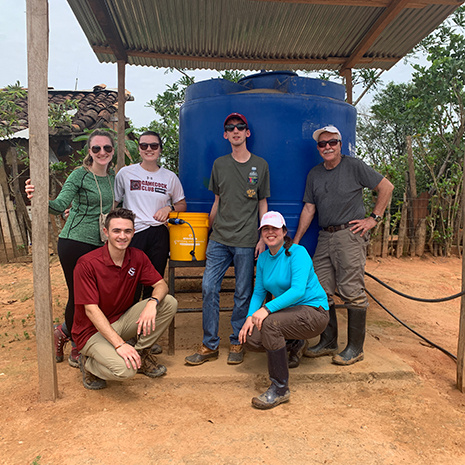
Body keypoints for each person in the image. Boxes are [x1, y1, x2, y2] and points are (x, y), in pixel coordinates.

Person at [293, 125, 394, 365]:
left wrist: (374, 218)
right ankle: (328, 341)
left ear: (340, 144)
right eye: (322, 144)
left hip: (349, 235)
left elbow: (386, 187)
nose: (327, 147)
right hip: (324, 236)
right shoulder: (315, 174)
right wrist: (296, 241)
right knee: (320, 289)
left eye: (332, 142)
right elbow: (309, 208)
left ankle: (355, 348)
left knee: (351, 290)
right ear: (318, 148)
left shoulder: (354, 166)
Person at [25, 128, 116, 368]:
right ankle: (77, 345)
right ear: (89, 152)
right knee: (79, 297)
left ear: (113, 151)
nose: (102, 152)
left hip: (101, 244)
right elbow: (60, 205)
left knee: (98, 296)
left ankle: (63, 331)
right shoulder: (79, 175)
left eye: (106, 148)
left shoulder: (114, 176)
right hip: (74, 242)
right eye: (96, 148)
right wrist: (38, 197)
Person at [185, 113, 270, 366]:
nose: (235, 131)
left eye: (240, 127)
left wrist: (262, 237)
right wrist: (207, 233)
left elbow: (262, 203)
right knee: (209, 287)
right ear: (225, 135)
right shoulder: (219, 164)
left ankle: (237, 341)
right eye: (230, 128)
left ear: (247, 133)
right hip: (219, 239)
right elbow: (217, 202)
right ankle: (210, 344)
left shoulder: (261, 165)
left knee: (243, 292)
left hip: (246, 239)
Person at [71, 208, 178, 390]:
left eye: (127, 231)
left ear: (133, 232)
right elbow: (91, 310)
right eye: (116, 231)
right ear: (106, 232)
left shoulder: (137, 257)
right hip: (91, 331)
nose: (122, 236)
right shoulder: (87, 264)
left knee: (168, 302)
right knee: (125, 371)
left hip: (120, 321)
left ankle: (141, 354)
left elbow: (161, 285)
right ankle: (88, 363)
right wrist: (120, 345)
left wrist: (152, 303)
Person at [239, 211, 329, 409]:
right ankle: (295, 343)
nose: (270, 233)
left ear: (284, 231)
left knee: (269, 325)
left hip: (314, 312)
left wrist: (266, 309)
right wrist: (249, 317)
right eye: (266, 229)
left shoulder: (298, 253)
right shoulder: (263, 259)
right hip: (288, 314)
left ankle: (280, 388)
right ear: (261, 233)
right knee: (252, 338)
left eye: (275, 228)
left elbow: (298, 290)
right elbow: (258, 292)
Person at [114, 131, 186, 295]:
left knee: (153, 282)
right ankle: (127, 319)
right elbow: (113, 202)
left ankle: (148, 318)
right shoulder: (125, 173)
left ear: (160, 149)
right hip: (133, 233)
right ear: (138, 149)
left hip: (158, 234)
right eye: (143, 145)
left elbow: (182, 204)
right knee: (129, 283)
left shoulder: (170, 177)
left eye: (154, 145)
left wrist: (169, 209)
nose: (149, 149)